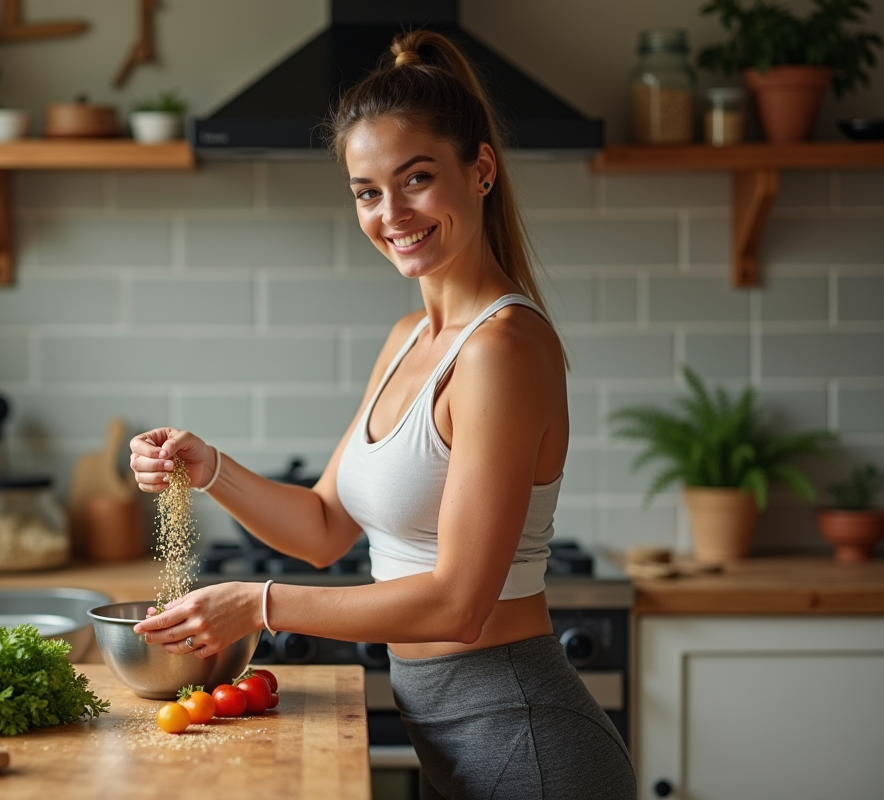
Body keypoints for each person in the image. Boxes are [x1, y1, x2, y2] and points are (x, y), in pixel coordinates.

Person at [129, 29, 637, 800]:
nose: (391, 212)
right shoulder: (409, 339)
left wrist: (259, 605)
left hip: (527, 742)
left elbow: (460, 604)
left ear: (482, 170)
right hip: (458, 743)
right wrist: (211, 469)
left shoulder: (502, 349)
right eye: (367, 191)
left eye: (417, 179)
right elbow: (324, 529)